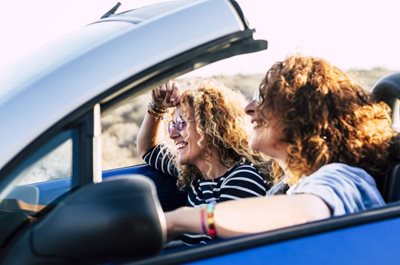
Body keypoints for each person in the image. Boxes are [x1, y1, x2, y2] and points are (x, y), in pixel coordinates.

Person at [165, 55, 399, 239]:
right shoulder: (291, 185)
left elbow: (305, 212)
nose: (249, 107)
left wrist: (179, 220)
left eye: (264, 97)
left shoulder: (341, 177)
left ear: (304, 113)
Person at [137, 79, 271, 245]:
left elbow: (222, 252)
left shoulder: (243, 179)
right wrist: (157, 107)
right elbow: (148, 149)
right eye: (172, 125)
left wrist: (175, 221)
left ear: (209, 127)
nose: (172, 134)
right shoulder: (195, 173)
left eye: (181, 124)